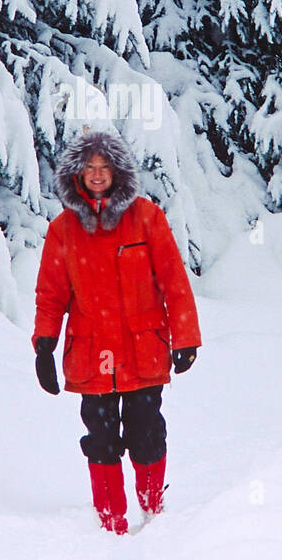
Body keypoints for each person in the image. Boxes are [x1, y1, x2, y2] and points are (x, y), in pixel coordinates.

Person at [31, 125, 201, 534]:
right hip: (92, 356)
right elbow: (51, 294)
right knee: (101, 439)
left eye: (104, 166)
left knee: (146, 432)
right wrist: (44, 345)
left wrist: (186, 339)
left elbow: (174, 281)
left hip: (143, 350)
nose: (97, 173)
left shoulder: (146, 218)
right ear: (77, 173)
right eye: (89, 166)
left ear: (117, 171)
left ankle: (153, 514)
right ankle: (110, 524)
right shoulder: (63, 230)